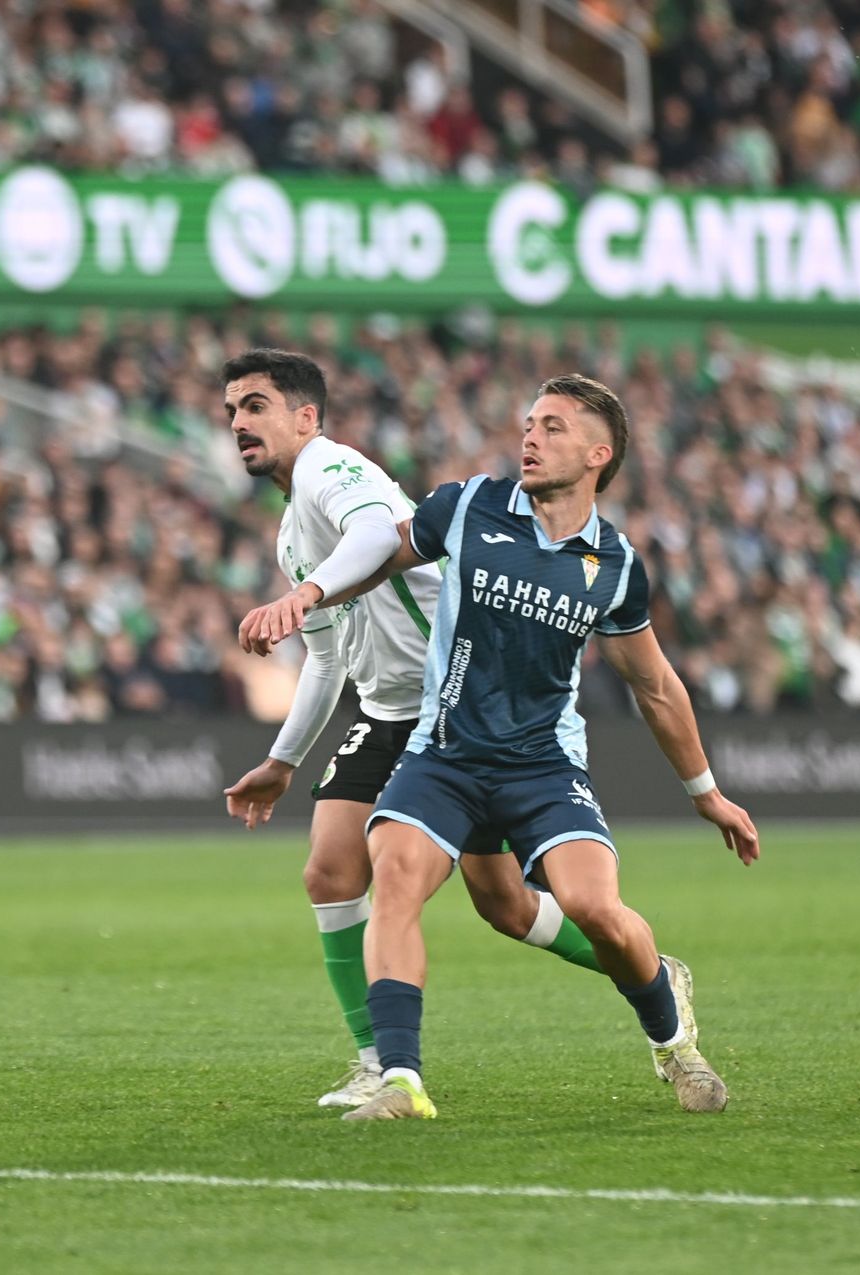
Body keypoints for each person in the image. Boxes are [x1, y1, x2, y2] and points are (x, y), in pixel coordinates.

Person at [244, 372, 760, 1121]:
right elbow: (379, 553)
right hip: (443, 753)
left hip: (541, 763)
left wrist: (707, 793)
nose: (530, 435)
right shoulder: (469, 505)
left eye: (552, 426)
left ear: (596, 454)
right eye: (529, 422)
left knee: (589, 905)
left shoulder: (613, 565)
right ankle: (399, 1078)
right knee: (392, 881)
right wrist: (310, 594)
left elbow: (655, 686)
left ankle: (673, 1040)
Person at [220, 349, 608, 1110]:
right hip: (388, 710)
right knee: (330, 870)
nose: (238, 423)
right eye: (232, 410)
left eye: (256, 406)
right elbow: (328, 659)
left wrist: (306, 591)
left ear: (307, 418)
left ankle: (645, 967)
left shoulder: (332, 470)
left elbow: (379, 532)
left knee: (505, 903)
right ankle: (376, 1061)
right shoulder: (292, 532)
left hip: (457, 707)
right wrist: (282, 759)